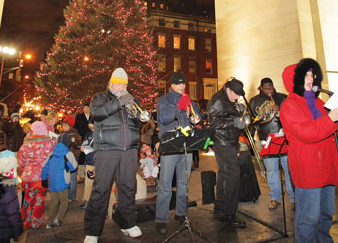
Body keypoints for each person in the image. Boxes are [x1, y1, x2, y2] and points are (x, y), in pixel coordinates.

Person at [279, 58, 338, 243]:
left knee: (326, 215)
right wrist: (330, 119)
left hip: (327, 166)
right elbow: (307, 132)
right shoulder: (289, 105)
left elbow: (336, 131)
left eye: (312, 75)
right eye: (306, 75)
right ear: (294, 80)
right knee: (308, 219)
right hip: (309, 170)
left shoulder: (319, 104)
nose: (311, 79)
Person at [84, 68, 144, 243]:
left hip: (129, 150)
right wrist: (120, 102)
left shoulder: (131, 99)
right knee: (101, 189)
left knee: (128, 187)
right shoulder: (100, 97)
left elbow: (139, 123)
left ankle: (128, 224)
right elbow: (96, 113)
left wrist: (138, 115)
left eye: (124, 84)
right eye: (117, 84)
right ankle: (93, 231)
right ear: (110, 83)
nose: (121, 87)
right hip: (107, 149)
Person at [154, 71, 201, 234]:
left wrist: (196, 117)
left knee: (183, 183)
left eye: (184, 84)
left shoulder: (189, 100)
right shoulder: (164, 100)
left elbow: (198, 115)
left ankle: (181, 213)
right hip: (170, 146)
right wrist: (179, 108)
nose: (182, 86)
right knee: (165, 184)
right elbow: (164, 118)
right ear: (172, 85)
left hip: (186, 145)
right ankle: (161, 219)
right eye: (179, 84)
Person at [207, 77, 247, 228]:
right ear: (228, 89)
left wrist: (239, 112)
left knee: (224, 174)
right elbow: (214, 123)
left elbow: (226, 115)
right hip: (223, 142)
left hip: (229, 140)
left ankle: (221, 208)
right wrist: (234, 122)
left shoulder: (228, 98)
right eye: (235, 94)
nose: (237, 97)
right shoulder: (218, 99)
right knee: (233, 174)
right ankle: (230, 214)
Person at [249, 77, 294, 210]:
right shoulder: (254, 101)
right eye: (266, 88)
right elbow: (252, 120)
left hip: (283, 137)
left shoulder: (282, 97)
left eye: (271, 87)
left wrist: (279, 110)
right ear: (261, 88)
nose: (269, 90)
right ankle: (275, 198)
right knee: (272, 170)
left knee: (288, 169)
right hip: (266, 138)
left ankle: (293, 197)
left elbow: (292, 114)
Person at [18, 121, 54, 229]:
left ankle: (26, 220)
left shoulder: (26, 144)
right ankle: (36, 221)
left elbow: (21, 161)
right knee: (39, 200)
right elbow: (50, 159)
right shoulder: (48, 144)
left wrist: (21, 171)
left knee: (28, 199)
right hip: (41, 176)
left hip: (28, 175)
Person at [41, 133, 77, 228]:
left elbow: (44, 167)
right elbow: (74, 167)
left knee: (54, 202)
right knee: (64, 201)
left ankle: (50, 221)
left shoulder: (51, 154)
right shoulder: (68, 154)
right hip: (63, 183)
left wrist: (44, 179)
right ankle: (59, 219)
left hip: (52, 183)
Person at [61, 115, 82, 202]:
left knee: (73, 179)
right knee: (65, 178)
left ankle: (72, 196)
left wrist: (74, 142)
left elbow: (79, 144)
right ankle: (65, 195)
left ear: (70, 125)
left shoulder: (75, 134)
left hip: (72, 159)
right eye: (63, 125)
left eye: (66, 125)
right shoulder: (62, 134)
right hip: (64, 159)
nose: (64, 127)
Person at [80, 124, 96, 209]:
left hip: (100, 161)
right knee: (88, 182)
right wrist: (83, 147)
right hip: (90, 160)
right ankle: (87, 199)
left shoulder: (103, 133)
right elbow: (84, 144)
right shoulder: (88, 134)